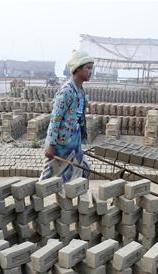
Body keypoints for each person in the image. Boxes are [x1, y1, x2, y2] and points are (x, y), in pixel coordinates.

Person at [40, 50, 94, 183]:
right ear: (78, 69)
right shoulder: (66, 91)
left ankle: (73, 198)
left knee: (84, 170)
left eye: (91, 68)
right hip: (61, 143)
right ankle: (36, 194)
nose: (91, 71)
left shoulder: (81, 91)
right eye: (88, 68)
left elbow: (79, 118)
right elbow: (55, 119)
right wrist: (51, 145)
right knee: (49, 174)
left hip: (74, 141)